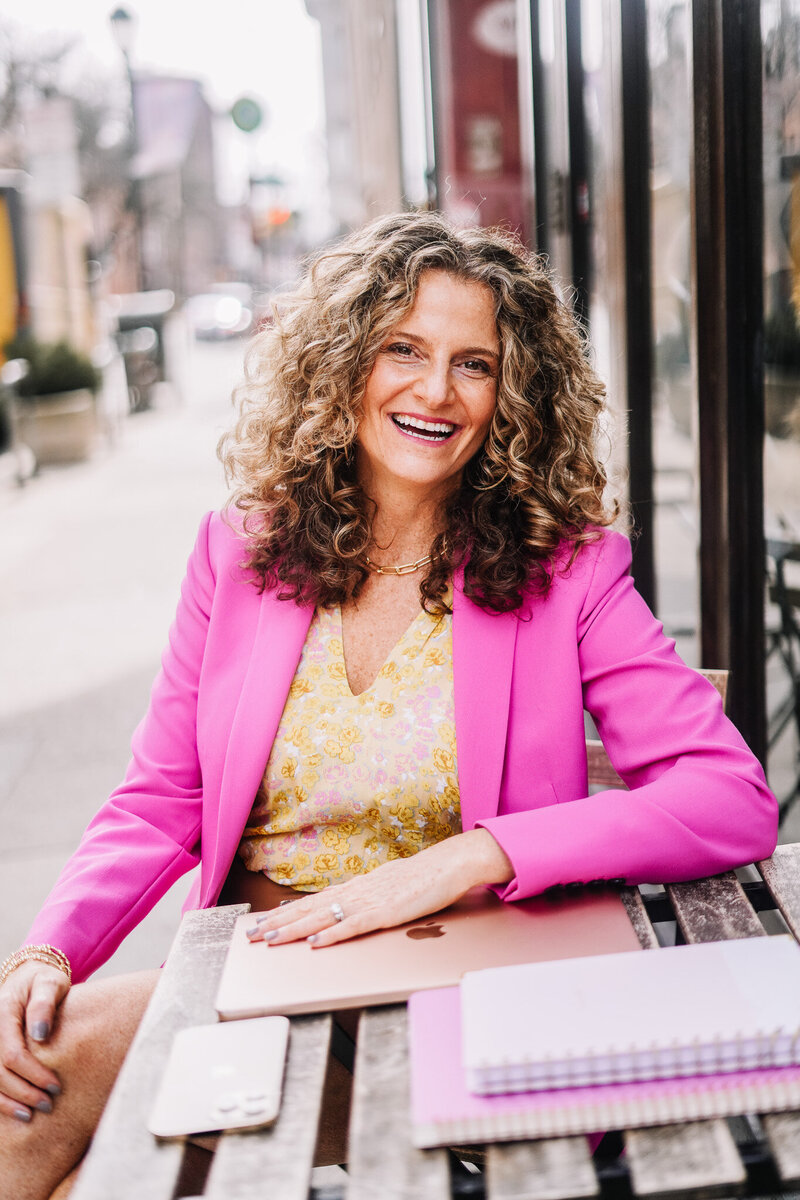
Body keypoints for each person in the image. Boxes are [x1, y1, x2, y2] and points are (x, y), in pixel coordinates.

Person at [0, 212, 778, 1198]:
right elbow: (161, 798)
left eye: (473, 364)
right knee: (18, 1092)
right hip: (261, 982)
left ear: (512, 396)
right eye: (402, 350)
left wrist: (478, 853)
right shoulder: (241, 553)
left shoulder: (566, 572)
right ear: (342, 364)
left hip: (455, 997)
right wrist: (46, 948)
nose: (433, 390)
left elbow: (729, 795)